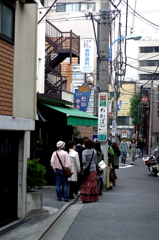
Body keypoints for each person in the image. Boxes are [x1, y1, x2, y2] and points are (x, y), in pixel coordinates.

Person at [80, 139, 99, 203]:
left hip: (86, 170)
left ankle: (86, 198)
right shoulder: (94, 151)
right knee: (92, 184)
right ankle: (93, 198)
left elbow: (83, 161)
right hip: (93, 169)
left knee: (86, 184)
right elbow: (96, 161)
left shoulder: (84, 152)